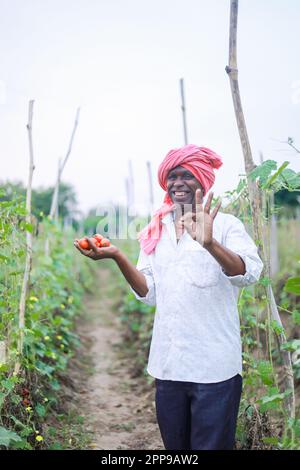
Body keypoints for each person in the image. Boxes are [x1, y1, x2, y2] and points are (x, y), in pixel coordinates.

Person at [74, 144, 263, 450]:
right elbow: (149, 292)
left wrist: (210, 243)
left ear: (202, 180)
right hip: (169, 365)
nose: (178, 182)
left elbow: (249, 273)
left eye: (186, 175)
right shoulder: (157, 229)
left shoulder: (227, 226)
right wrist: (117, 256)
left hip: (214, 368)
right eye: (172, 176)